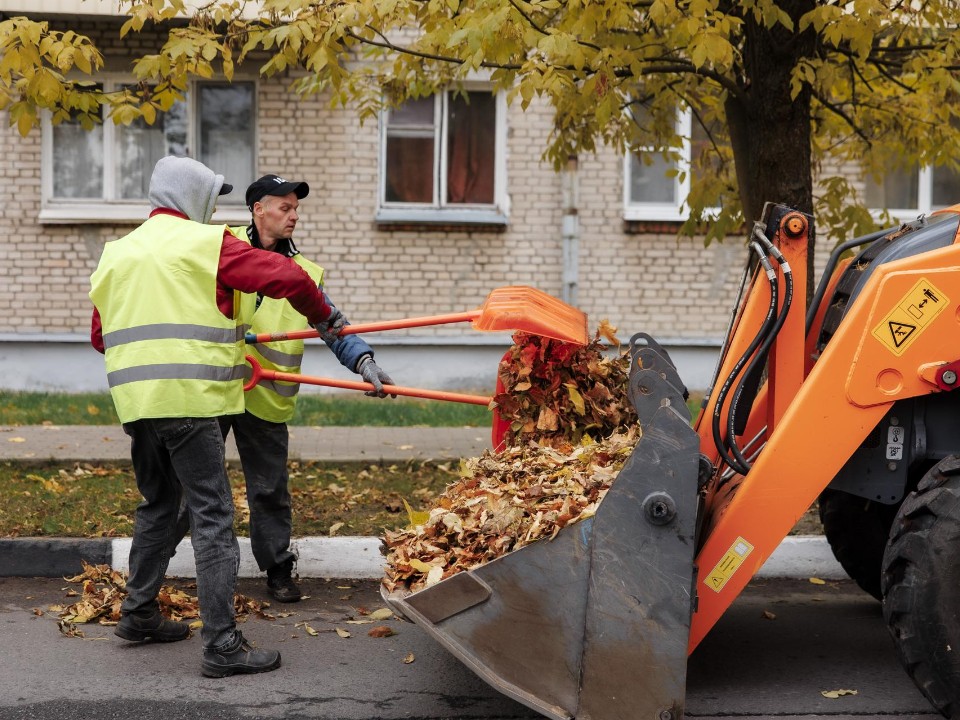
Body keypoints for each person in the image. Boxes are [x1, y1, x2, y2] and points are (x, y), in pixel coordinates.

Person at [89, 156, 347, 678]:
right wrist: (327, 318)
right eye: (211, 194)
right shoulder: (205, 243)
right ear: (189, 196)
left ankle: (137, 614)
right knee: (212, 517)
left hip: (138, 405)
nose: (215, 205)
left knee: (160, 505)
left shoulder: (117, 253)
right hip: (189, 399)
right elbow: (284, 276)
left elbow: (100, 335)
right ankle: (222, 646)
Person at [172, 174, 394, 604]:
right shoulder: (214, 245)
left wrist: (363, 362)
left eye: (296, 209)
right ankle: (166, 566)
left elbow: (332, 325)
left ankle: (277, 568)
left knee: (269, 488)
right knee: (191, 486)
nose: (294, 216)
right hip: (211, 390)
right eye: (285, 207)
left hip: (266, 397)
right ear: (258, 209)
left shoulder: (303, 272)